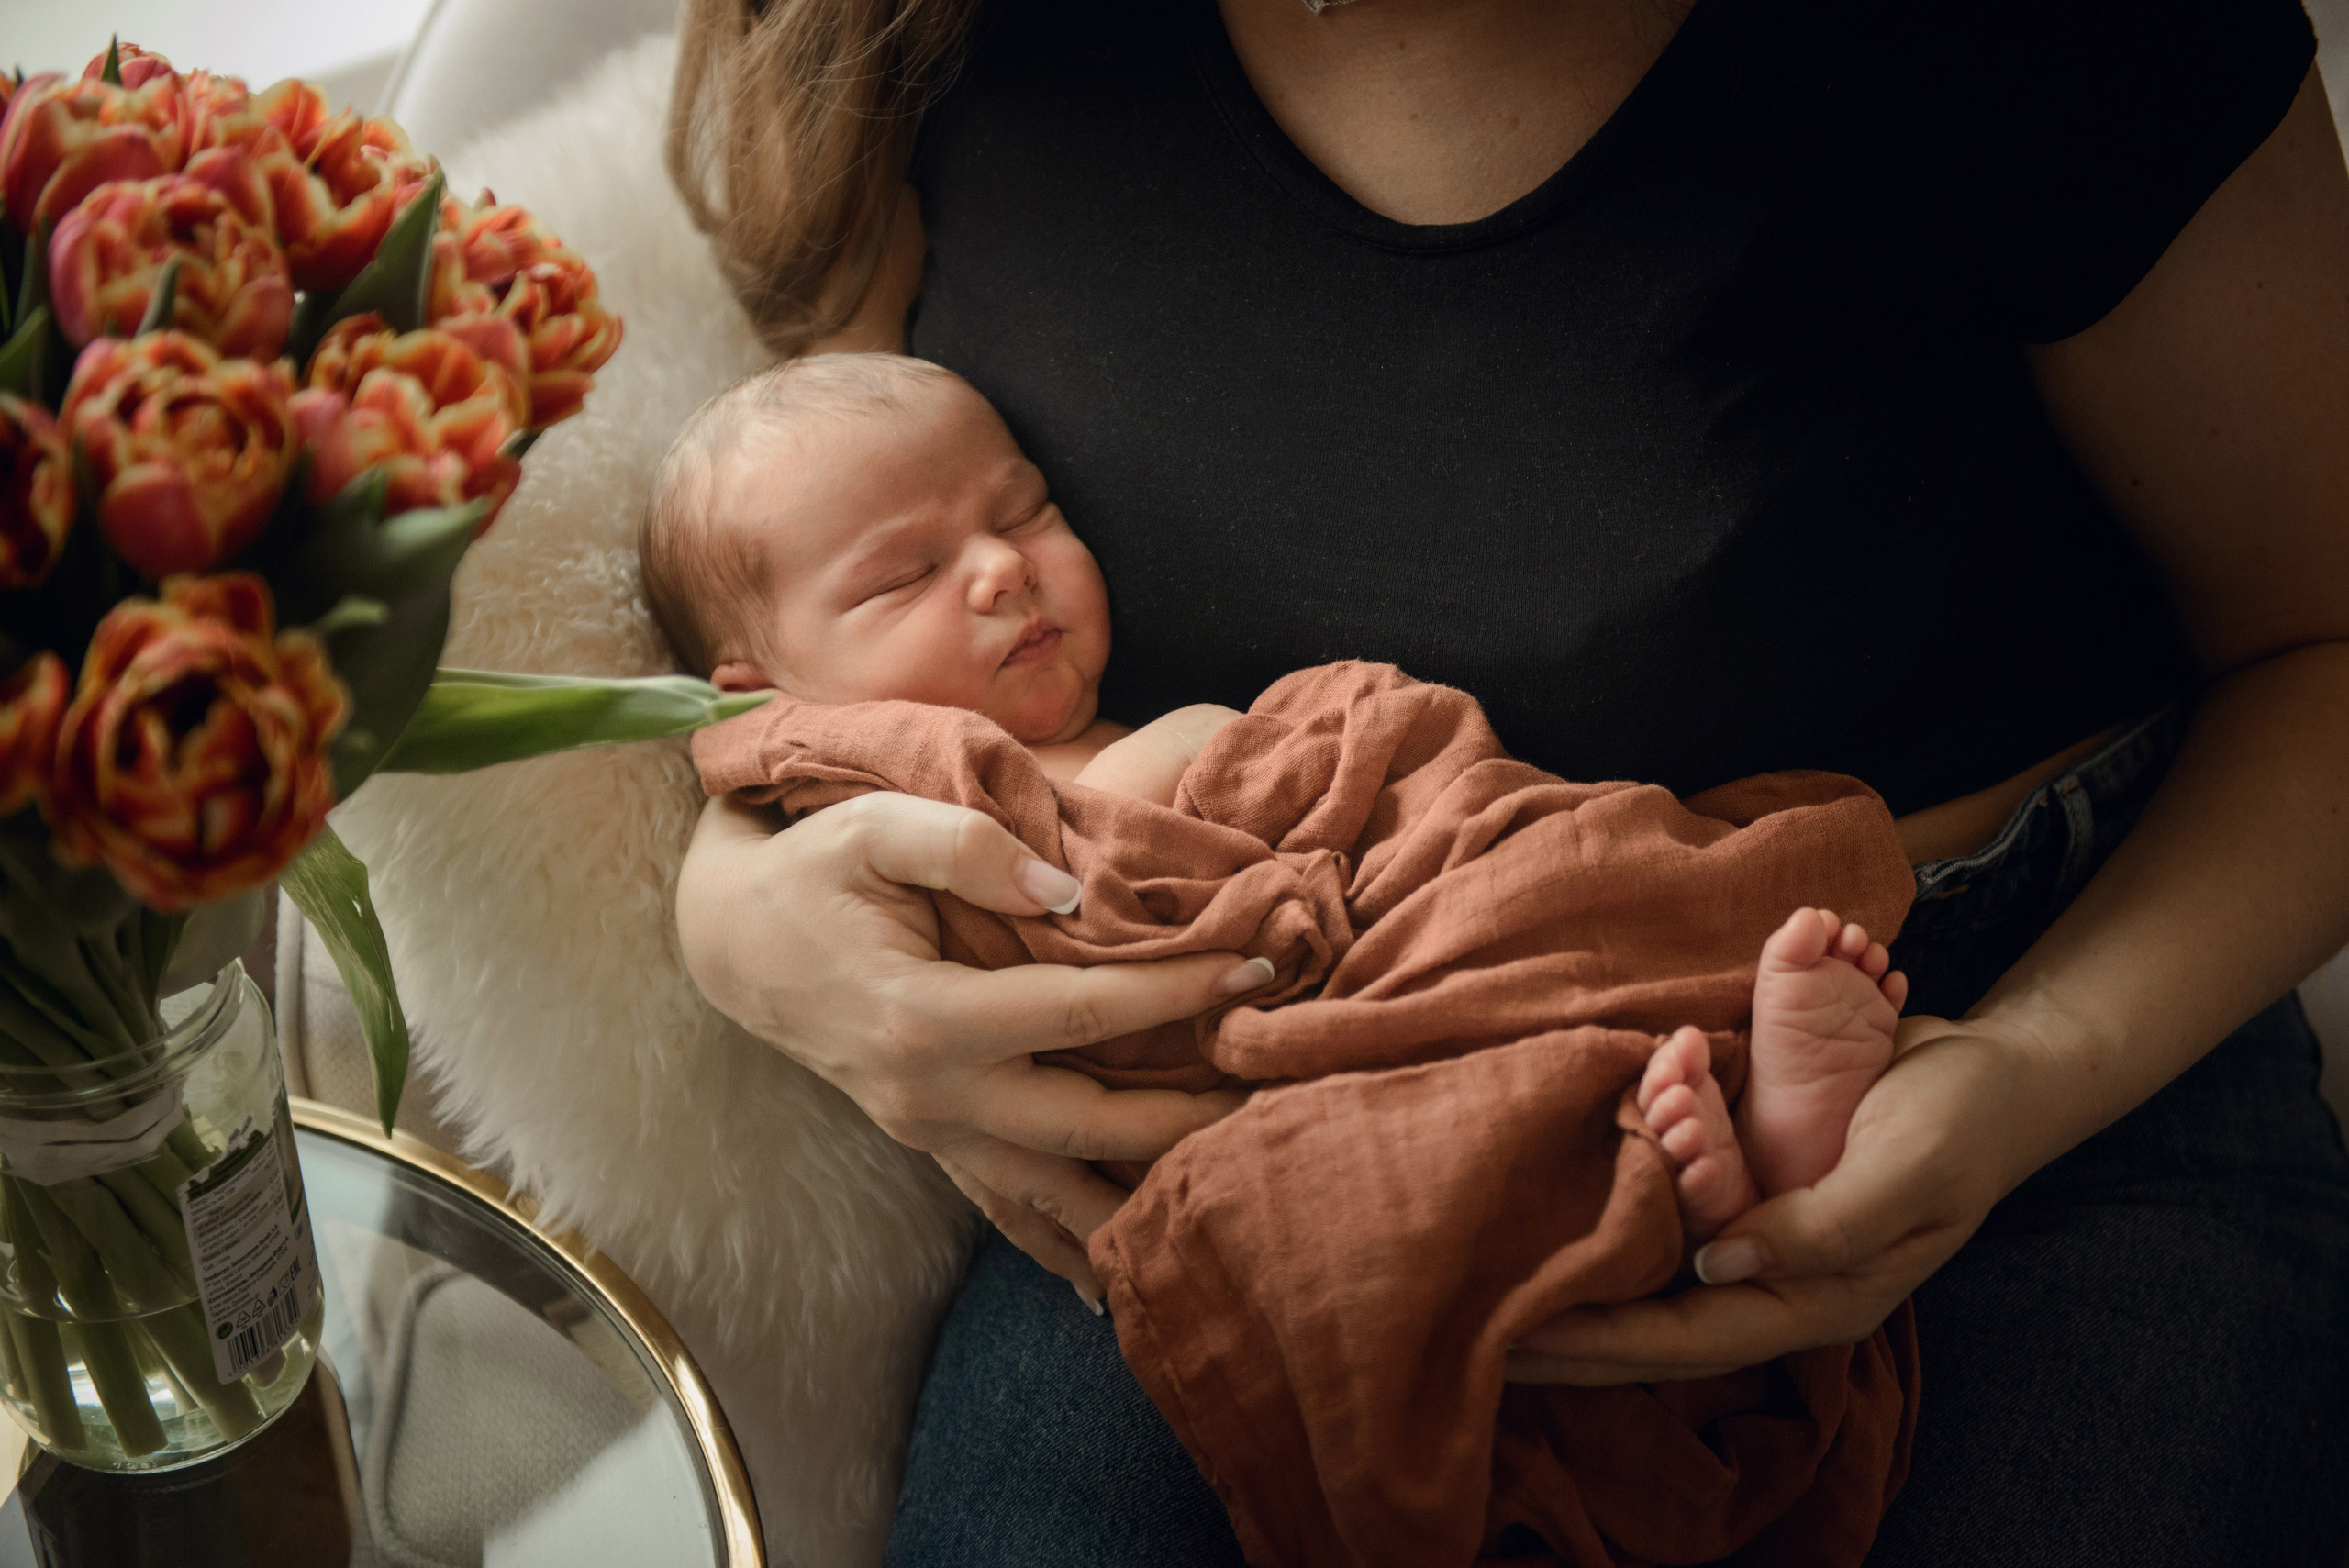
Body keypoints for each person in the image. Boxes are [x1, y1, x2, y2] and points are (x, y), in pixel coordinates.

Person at [662, 0, 2349, 1562]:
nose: (999, 571)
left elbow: (2324, 637)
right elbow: (801, 544)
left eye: (1023, 515)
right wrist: (733, 903)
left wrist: (2024, 1074)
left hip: (1995, 1042)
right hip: (1257, 1096)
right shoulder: (897, 27)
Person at [640, 349, 1911, 1245]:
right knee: (1394, 1180)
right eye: (906, 572)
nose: (997, 570)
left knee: (1563, 881)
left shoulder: (1105, 723)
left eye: (1023, 511)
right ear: (773, 698)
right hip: (1279, 1054)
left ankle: (1721, 1111)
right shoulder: (869, 798)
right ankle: (1693, 1168)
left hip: (1406, 898)